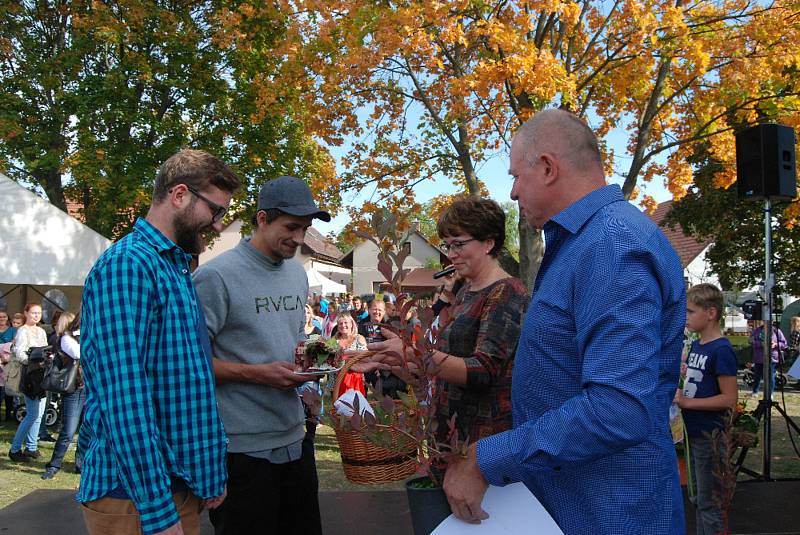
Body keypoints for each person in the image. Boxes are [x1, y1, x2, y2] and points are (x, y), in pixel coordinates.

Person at [441, 109, 686, 533]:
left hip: (609, 509)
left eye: (516, 176)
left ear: (549, 168)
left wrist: (488, 458)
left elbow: (618, 408)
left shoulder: (611, 245)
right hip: (578, 498)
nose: (513, 192)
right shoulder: (589, 241)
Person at [77, 149, 238, 535]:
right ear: (179, 195)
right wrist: (157, 512)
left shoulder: (172, 265)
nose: (218, 226)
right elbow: (125, 398)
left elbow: (186, 380)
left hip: (174, 485)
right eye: (215, 212)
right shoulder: (128, 265)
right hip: (135, 497)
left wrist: (208, 472)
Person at [193, 175, 328, 535]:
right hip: (240, 451)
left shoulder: (297, 275)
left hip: (295, 440)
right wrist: (257, 374)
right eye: (292, 227)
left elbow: (297, 339)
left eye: (305, 228)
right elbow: (190, 365)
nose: (299, 238)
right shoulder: (215, 277)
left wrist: (310, 374)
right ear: (262, 219)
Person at [371, 196, 528, 450]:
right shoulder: (465, 291)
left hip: (482, 443)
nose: (451, 254)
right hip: (449, 435)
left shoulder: (507, 292)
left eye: (458, 244)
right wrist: (400, 362)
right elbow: (447, 359)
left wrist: (415, 354)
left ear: (489, 242)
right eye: (447, 245)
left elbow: (484, 371)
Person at [676, 284, 738, 535]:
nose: (686, 317)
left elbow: (729, 399)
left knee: (710, 502)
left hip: (710, 436)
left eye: (690, 312)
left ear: (711, 313)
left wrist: (689, 403)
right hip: (694, 433)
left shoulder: (721, 349)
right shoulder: (699, 345)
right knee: (698, 499)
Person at [42, 311, 87, 479]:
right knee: (68, 430)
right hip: (74, 389)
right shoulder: (67, 339)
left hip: (87, 388)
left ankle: (80, 464)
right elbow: (80, 354)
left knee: (85, 429)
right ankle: (53, 465)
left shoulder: (81, 337)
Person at [8, 303, 48, 462]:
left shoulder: (41, 330)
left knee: (39, 414)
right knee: (32, 414)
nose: (36, 316)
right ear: (26, 313)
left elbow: (45, 349)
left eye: (38, 313)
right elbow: (19, 353)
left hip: (42, 374)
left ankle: (31, 447)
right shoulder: (22, 330)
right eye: (33, 313)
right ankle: (15, 449)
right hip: (30, 374)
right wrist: (34, 362)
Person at [334, 313, 367, 397]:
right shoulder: (334, 340)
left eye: (346, 323)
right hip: (337, 379)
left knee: (355, 405)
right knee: (339, 406)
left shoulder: (359, 338)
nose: (343, 325)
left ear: (352, 324)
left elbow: (365, 358)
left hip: (354, 378)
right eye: (340, 323)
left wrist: (346, 358)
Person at [750, 319, 786, 394]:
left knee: (771, 376)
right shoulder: (757, 330)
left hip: (772, 358)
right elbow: (751, 341)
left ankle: (770, 394)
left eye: (771, 321)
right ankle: (755, 391)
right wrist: (760, 344)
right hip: (759, 358)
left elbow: (784, 344)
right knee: (757, 376)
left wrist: (775, 344)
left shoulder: (777, 331)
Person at [0, 310, 17, 421]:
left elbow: (15, 344)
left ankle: (8, 414)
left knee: (8, 389)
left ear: (7, 318)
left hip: (9, 362)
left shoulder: (13, 330)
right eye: (0, 317)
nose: (1, 318)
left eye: (4, 316)